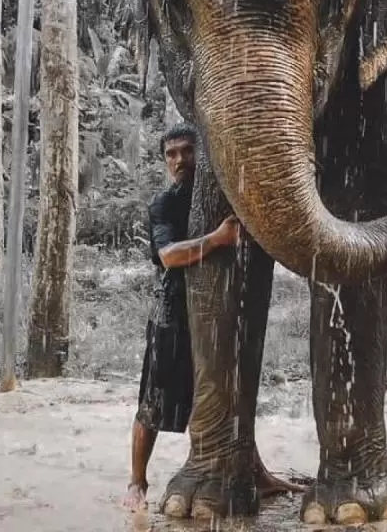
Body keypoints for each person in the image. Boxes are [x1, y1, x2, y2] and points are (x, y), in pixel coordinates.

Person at [122, 122, 301, 511]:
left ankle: (251, 468)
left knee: (222, 394)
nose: (180, 160)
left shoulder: (226, 195)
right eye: (171, 154)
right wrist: (217, 239)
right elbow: (170, 256)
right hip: (173, 318)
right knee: (154, 403)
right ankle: (137, 483)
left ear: (204, 154)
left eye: (187, 151)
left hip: (221, 316)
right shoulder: (165, 204)